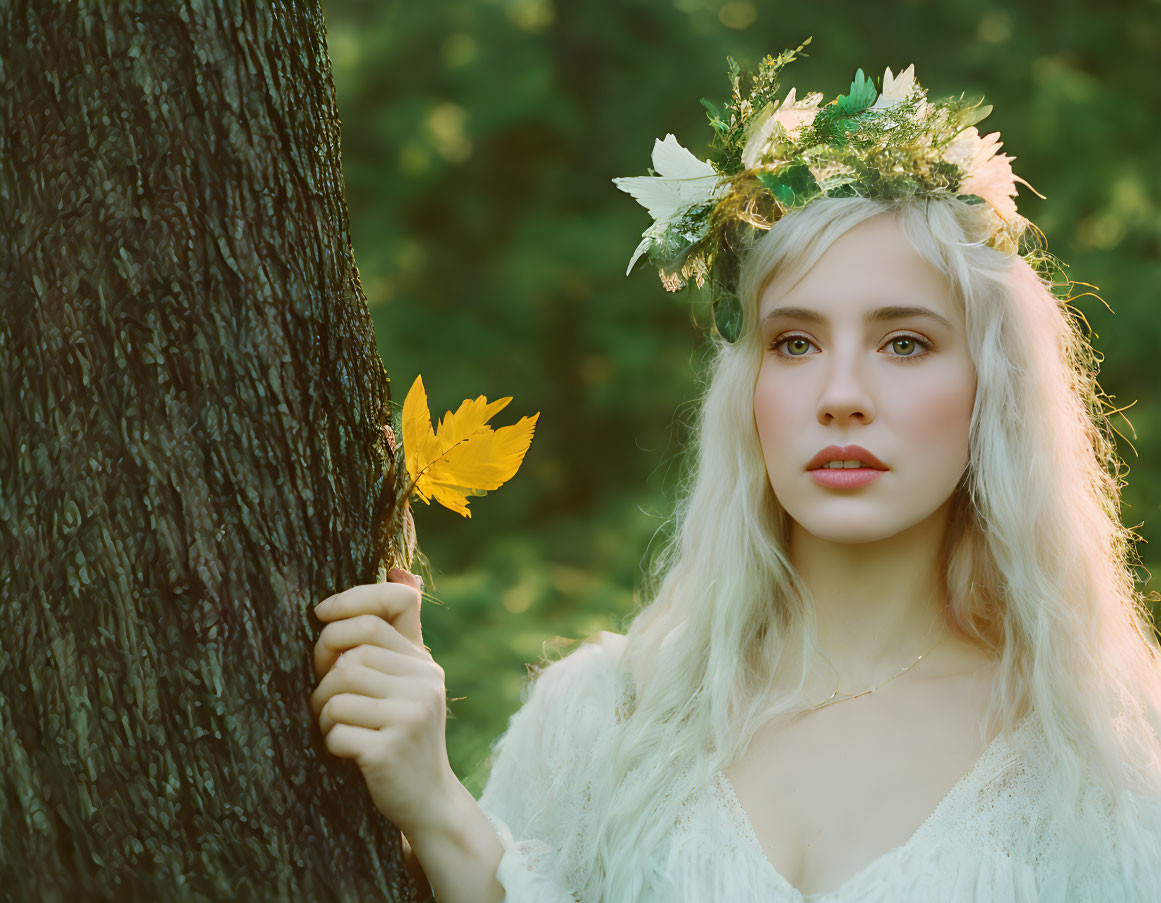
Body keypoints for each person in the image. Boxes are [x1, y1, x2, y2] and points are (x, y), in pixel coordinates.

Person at [308, 45, 1161, 902]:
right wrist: (436, 808)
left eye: (904, 342)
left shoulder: (1106, 746)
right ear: (747, 389)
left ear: (992, 388)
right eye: (795, 342)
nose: (841, 395)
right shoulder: (602, 722)